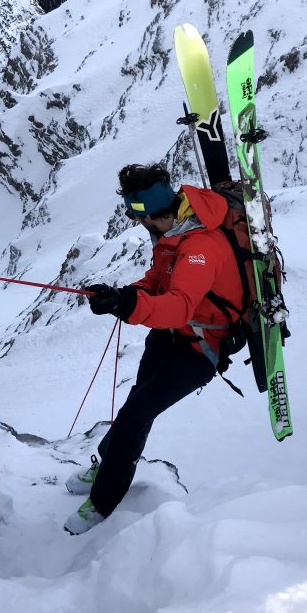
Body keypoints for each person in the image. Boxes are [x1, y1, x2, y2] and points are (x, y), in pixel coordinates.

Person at [64, 162, 243, 534]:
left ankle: (102, 502)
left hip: (200, 350)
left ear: (147, 215)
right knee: (136, 403)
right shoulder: (174, 230)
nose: (135, 222)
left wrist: (129, 307)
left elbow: (179, 305)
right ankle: (107, 460)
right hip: (169, 336)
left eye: (135, 215)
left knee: (134, 414)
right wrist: (125, 295)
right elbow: (159, 279)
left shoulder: (199, 247)